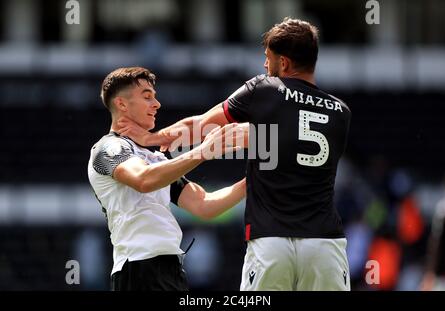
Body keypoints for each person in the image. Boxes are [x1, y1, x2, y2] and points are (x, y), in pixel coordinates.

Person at [118, 18, 352, 291]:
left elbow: (200, 125)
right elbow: (293, 139)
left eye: (268, 58)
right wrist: (260, 134)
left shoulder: (264, 89)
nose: (266, 66)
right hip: (325, 244)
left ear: (284, 63)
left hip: (271, 241)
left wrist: (153, 137)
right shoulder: (341, 112)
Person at [87, 67, 246, 291]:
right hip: (138, 269)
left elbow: (204, 205)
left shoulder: (155, 158)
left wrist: (253, 180)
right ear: (122, 104)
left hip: (170, 269)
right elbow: (143, 180)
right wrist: (204, 151)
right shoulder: (108, 147)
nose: (157, 104)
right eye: (147, 96)